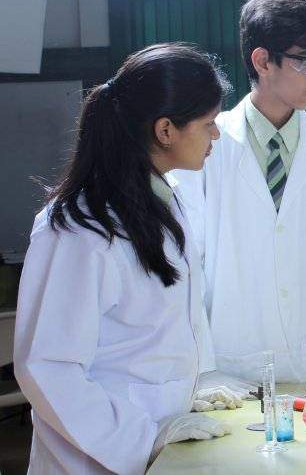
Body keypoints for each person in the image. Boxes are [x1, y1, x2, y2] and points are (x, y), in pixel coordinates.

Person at [14, 43, 235, 474]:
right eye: (209, 124)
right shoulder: (78, 227)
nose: (217, 136)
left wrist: (182, 392)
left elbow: (148, 334)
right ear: (166, 130)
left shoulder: (163, 200)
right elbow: (47, 366)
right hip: (97, 456)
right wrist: (143, 437)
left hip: (158, 439)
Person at [170, 0, 306, 387]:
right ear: (263, 61)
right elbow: (188, 264)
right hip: (233, 370)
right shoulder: (207, 145)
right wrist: (204, 369)